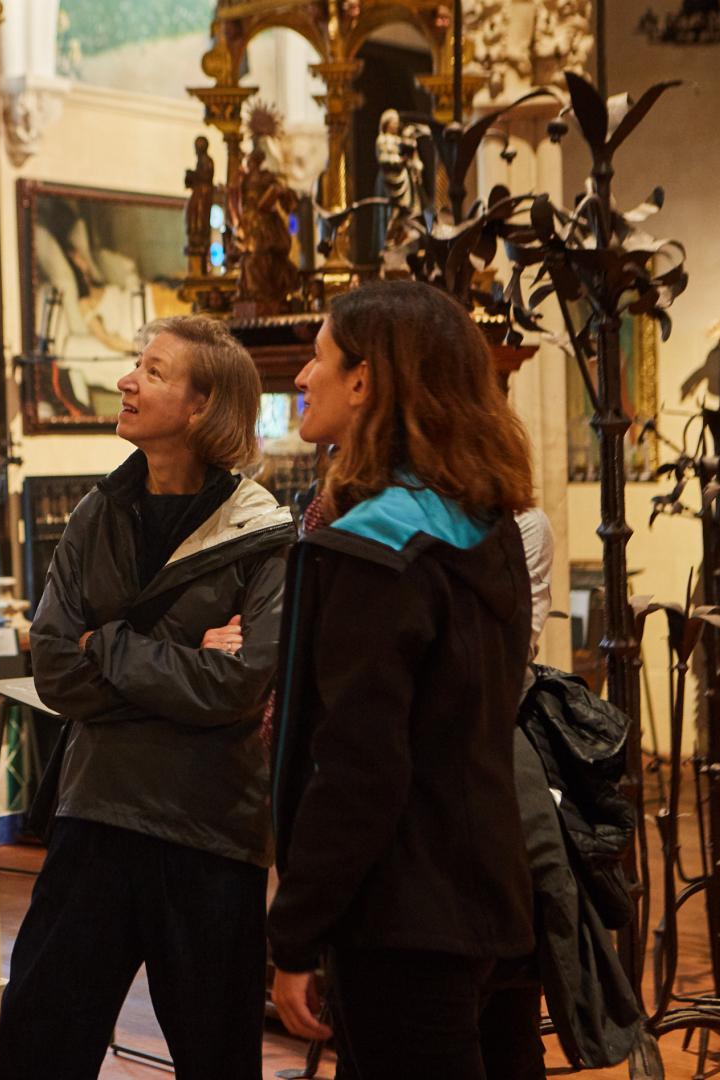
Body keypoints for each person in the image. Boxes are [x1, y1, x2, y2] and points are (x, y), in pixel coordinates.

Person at [0, 315, 294, 1079]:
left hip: (209, 832)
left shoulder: (261, 533)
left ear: (202, 406)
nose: (127, 381)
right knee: (36, 1051)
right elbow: (55, 667)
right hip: (95, 815)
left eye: (153, 372)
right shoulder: (97, 514)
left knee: (217, 1060)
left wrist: (108, 645)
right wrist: (182, 663)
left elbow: (239, 685)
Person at [267, 279, 538, 1078]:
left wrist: (295, 933)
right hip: (492, 897)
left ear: (364, 381)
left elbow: (360, 768)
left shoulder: (373, 548)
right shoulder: (488, 527)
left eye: (319, 357)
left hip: (400, 919)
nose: (302, 377)